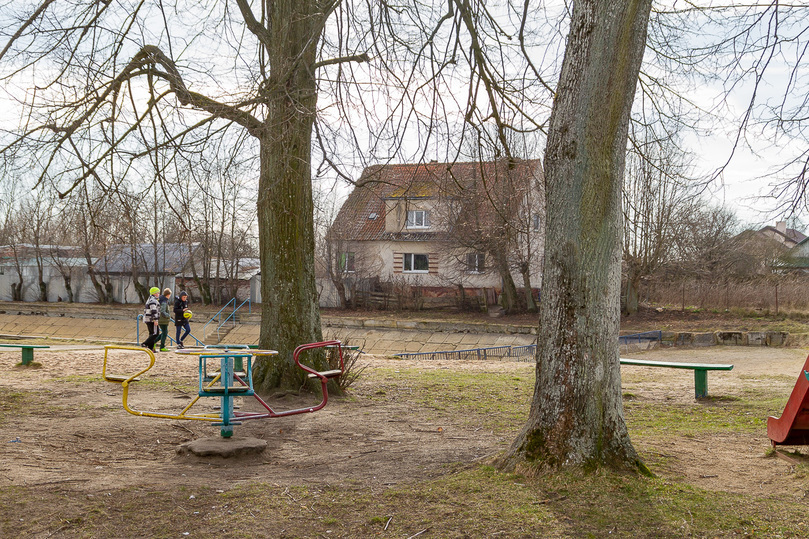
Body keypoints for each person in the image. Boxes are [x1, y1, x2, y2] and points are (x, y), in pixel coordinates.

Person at [141, 287, 161, 352]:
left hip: (148, 318)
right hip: (151, 319)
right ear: (154, 293)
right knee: (156, 333)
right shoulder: (153, 300)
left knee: (152, 333)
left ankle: (150, 348)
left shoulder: (150, 299)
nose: (159, 294)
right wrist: (156, 319)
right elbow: (153, 310)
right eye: (158, 293)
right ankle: (145, 343)